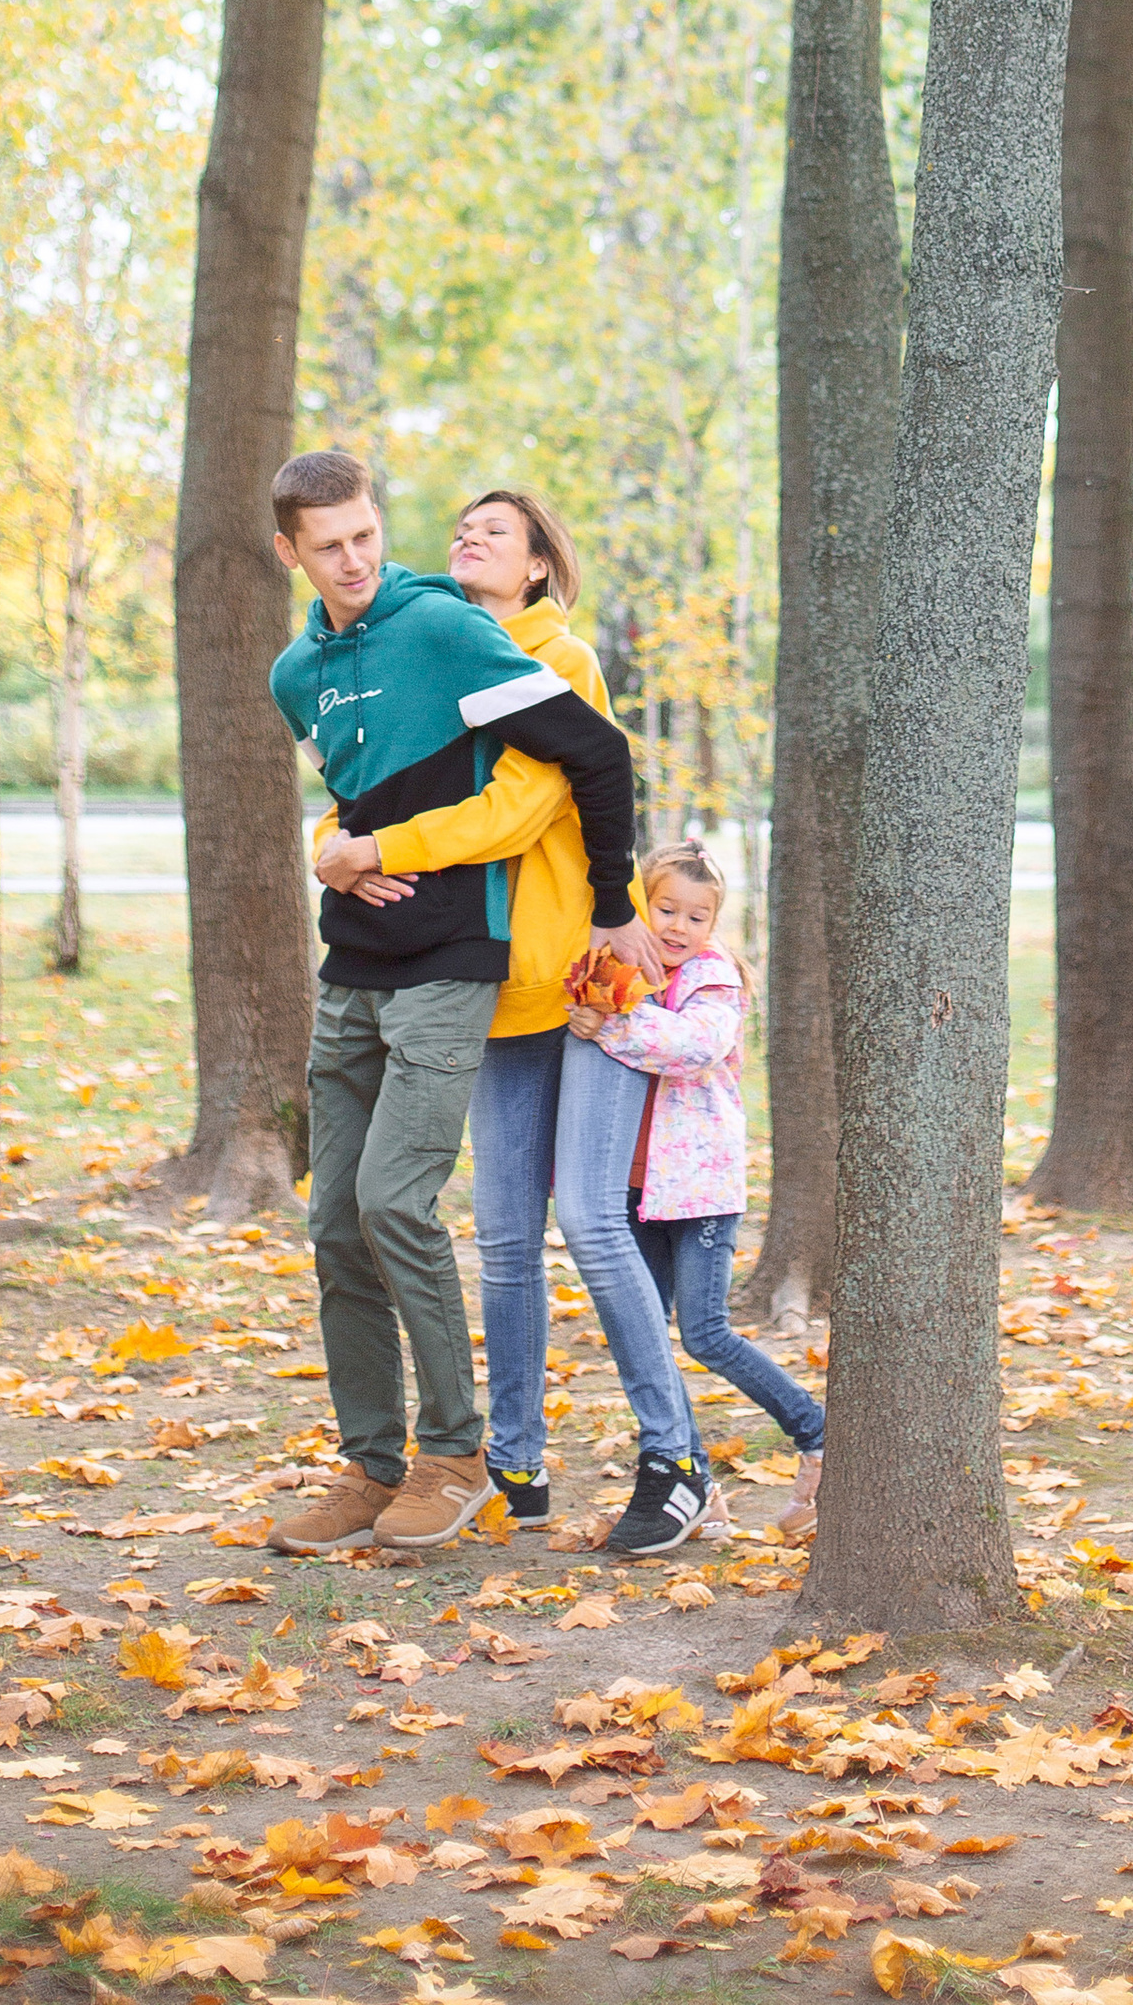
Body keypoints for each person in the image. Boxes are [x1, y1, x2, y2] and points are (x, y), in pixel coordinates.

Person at [314, 485, 715, 1560]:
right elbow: (366, 783)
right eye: (460, 529)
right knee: (501, 1244)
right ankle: (516, 1467)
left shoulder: (557, 658)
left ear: (538, 565)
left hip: (582, 978)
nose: (468, 540)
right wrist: (336, 840)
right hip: (488, 984)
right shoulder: (438, 654)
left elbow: (522, 811)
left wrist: (377, 852)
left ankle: (673, 1457)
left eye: (496, 532)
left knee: (588, 1222)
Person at [571, 837, 826, 1540]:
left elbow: (691, 1047)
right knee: (649, 1337)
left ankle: (818, 1434)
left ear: (714, 926)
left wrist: (610, 1021)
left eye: (696, 916)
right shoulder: (626, 967)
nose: (678, 927)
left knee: (704, 1332)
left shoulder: (714, 978)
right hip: (635, 1184)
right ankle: (697, 1483)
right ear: (638, 906)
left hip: (701, 1186)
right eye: (665, 909)